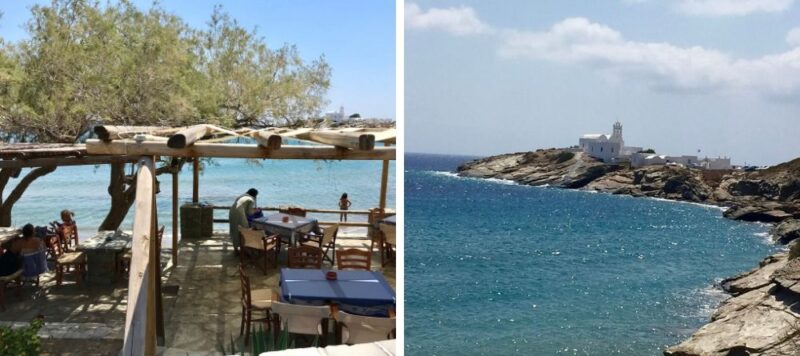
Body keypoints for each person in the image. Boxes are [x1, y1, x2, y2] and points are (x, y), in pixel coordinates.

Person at [229, 188, 261, 254]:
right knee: (244, 230)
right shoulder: (251, 199)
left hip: (231, 212)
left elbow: (243, 207)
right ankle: (244, 249)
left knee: (234, 230)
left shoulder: (241, 196)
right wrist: (256, 210)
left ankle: (236, 250)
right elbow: (249, 213)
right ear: (255, 195)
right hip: (239, 214)